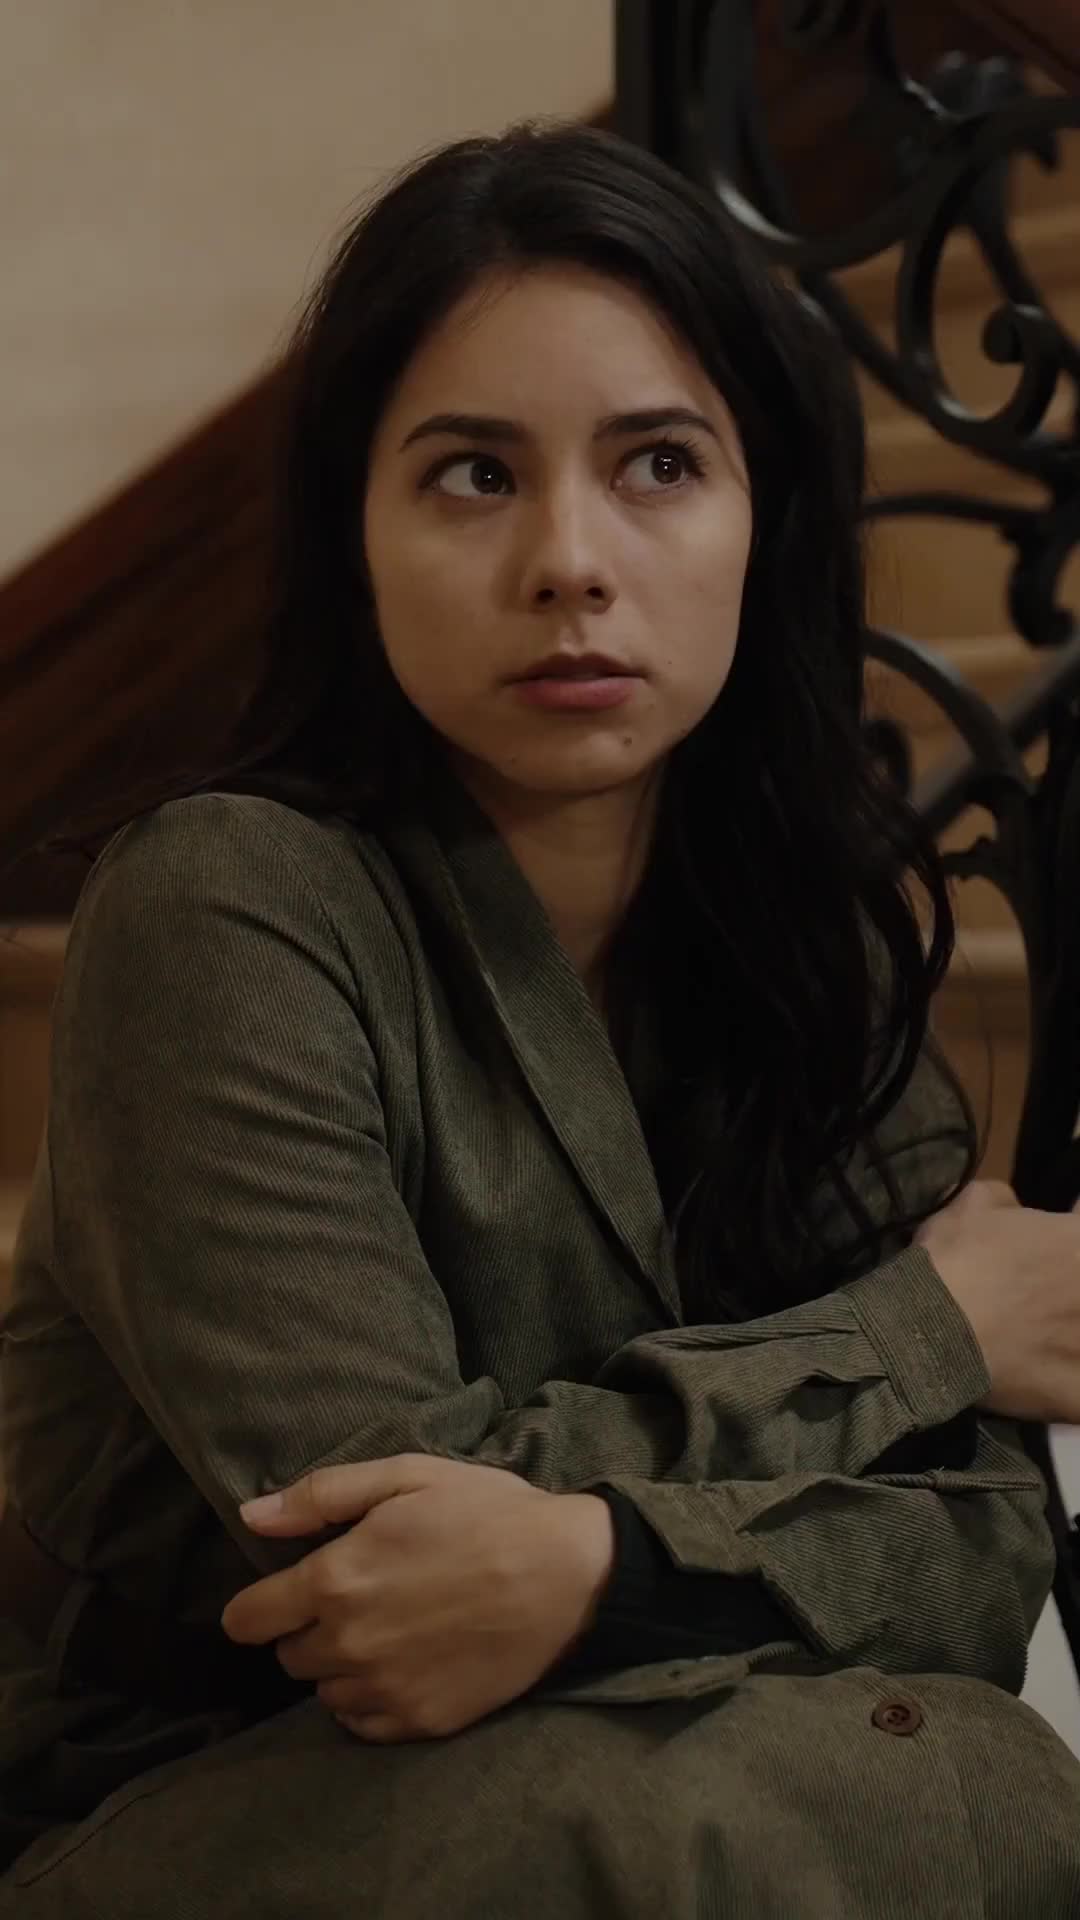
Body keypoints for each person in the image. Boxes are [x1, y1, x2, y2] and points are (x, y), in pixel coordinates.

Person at [3, 120, 1080, 1918]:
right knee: (754, 1812)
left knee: (929, 1775)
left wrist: (594, 1568)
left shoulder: (810, 941)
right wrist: (928, 1329)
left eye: (658, 462)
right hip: (202, 1807)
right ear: (356, 534)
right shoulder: (223, 908)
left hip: (685, 1759)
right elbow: (384, 1560)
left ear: (764, 520)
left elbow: (979, 1552)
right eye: (473, 476)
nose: (571, 560)